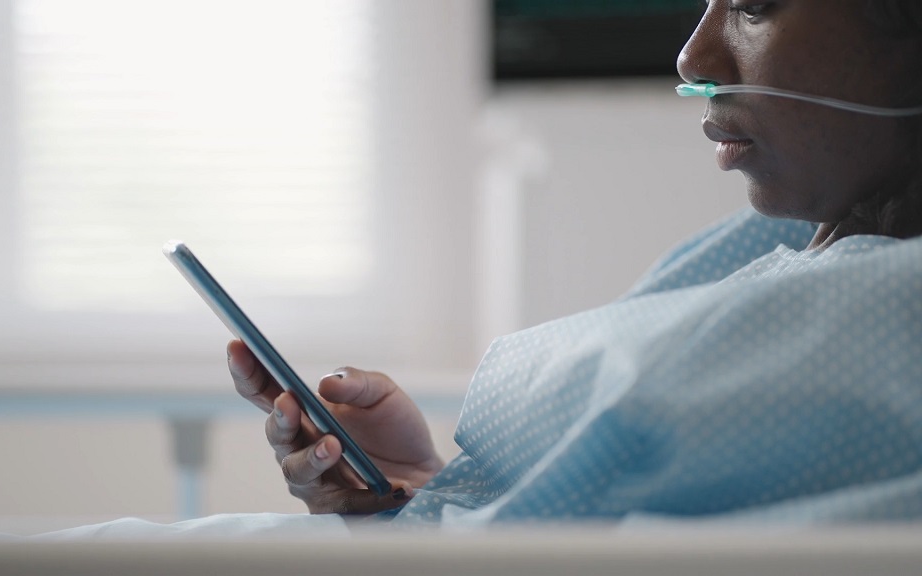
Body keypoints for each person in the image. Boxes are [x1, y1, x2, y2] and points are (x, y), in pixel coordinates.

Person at [230, 0, 922, 524]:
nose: (693, 57)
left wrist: (442, 521)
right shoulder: (772, 244)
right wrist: (423, 492)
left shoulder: (895, 314)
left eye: (752, 5)